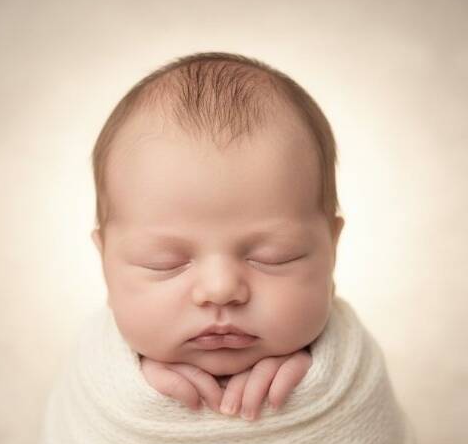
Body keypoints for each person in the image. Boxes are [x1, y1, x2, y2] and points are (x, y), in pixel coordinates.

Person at [89, 51, 344, 421]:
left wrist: (319, 383)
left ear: (331, 252)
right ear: (105, 264)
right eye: (166, 263)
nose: (220, 290)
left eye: (275, 256)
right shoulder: (94, 374)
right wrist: (134, 389)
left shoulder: (338, 375)